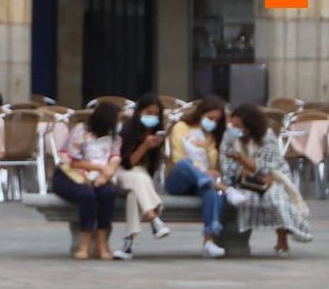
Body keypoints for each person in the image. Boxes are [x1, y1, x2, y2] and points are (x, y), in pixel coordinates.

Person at [221, 104, 313, 255]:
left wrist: (243, 161)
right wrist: (242, 169)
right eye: (232, 125)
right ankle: (240, 241)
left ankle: (282, 237)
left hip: (273, 177)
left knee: (276, 197)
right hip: (242, 179)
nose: (234, 129)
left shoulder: (266, 135)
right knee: (246, 198)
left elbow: (269, 167)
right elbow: (227, 166)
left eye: (238, 126)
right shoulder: (229, 135)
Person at [52, 101, 122, 260]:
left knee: (108, 194)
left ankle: (102, 243)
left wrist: (105, 175)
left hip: (98, 177)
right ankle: (84, 244)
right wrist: (98, 168)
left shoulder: (114, 138)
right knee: (87, 196)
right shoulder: (81, 131)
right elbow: (73, 161)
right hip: (71, 175)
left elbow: (115, 158)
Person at [164, 95, 228, 258]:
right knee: (185, 166)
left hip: (203, 182)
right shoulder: (181, 127)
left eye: (216, 119)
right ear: (201, 114)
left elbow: (213, 165)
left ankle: (209, 240)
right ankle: (204, 180)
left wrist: (208, 147)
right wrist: (204, 173)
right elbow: (179, 158)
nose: (212, 122)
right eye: (210, 118)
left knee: (211, 191)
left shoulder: (212, 136)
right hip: (179, 179)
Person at [112, 94, 171, 260]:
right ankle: (154, 218)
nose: (152, 117)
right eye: (148, 112)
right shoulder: (128, 130)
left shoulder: (156, 134)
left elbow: (150, 169)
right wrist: (145, 145)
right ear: (139, 111)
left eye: (155, 114)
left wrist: (154, 146)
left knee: (134, 194)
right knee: (138, 178)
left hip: (141, 178)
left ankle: (127, 245)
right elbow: (128, 163)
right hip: (122, 173)